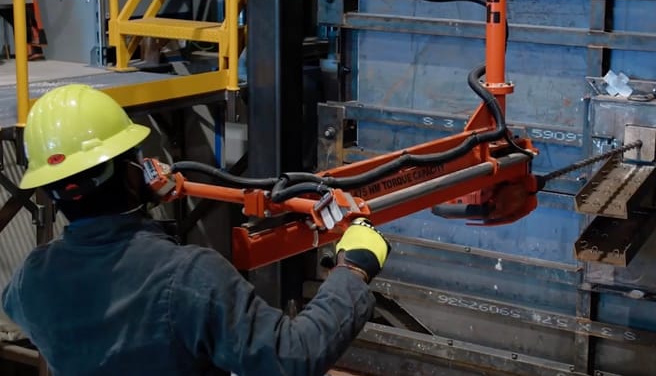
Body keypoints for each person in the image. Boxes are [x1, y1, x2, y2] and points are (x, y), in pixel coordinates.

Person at [1, 84, 390, 376]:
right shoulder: (188, 278)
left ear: (51, 192)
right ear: (130, 172)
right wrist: (353, 269)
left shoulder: (31, 281)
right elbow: (292, 355)